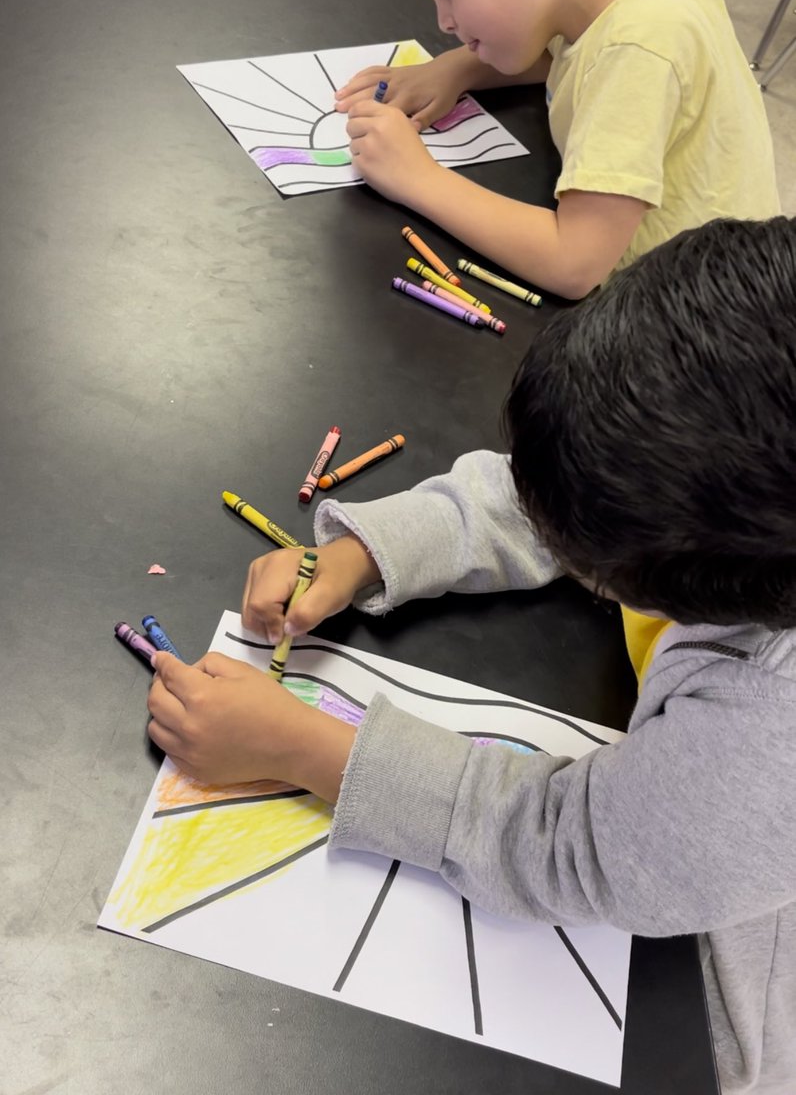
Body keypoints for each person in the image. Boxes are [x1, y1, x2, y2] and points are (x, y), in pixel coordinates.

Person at [149, 217, 796, 1094]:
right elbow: (556, 483)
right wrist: (367, 555)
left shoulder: (769, 735)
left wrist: (303, 747)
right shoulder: (745, 441)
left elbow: (570, 849)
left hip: (709, 977)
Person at [332, 0, 780, 299]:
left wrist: (415, 177)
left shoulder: (642, 46)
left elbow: (574, 263)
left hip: (694, 337)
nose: (444, 20)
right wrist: (457, 67)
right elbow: (566, 50)